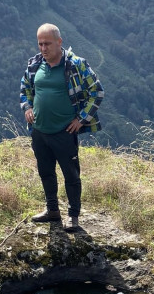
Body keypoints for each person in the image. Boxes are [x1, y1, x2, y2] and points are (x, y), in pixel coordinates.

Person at [20, 23, 104, 232]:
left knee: (71, 176)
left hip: (64, 132)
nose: (43, 48)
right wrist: (27, 107)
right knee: (45, 172)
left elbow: (97, 91)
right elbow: (25, 88)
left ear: (59, 42)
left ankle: (73, 216)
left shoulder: (76, 65)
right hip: (39, 131)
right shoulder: (34, 64)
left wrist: (81, 119)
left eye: (47, 43)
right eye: (40, 44)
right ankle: (52, 211)